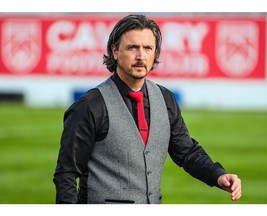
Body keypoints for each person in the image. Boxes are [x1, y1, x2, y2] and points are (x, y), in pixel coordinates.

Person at [53, 14, 242, 204]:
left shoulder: (166, 99)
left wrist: (217, 175)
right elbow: (66, 173)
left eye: (148, 48)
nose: (140, 56)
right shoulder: (90, 105)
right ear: (115, 51)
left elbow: (187, 152)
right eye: (132, 47)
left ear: (155, 54)